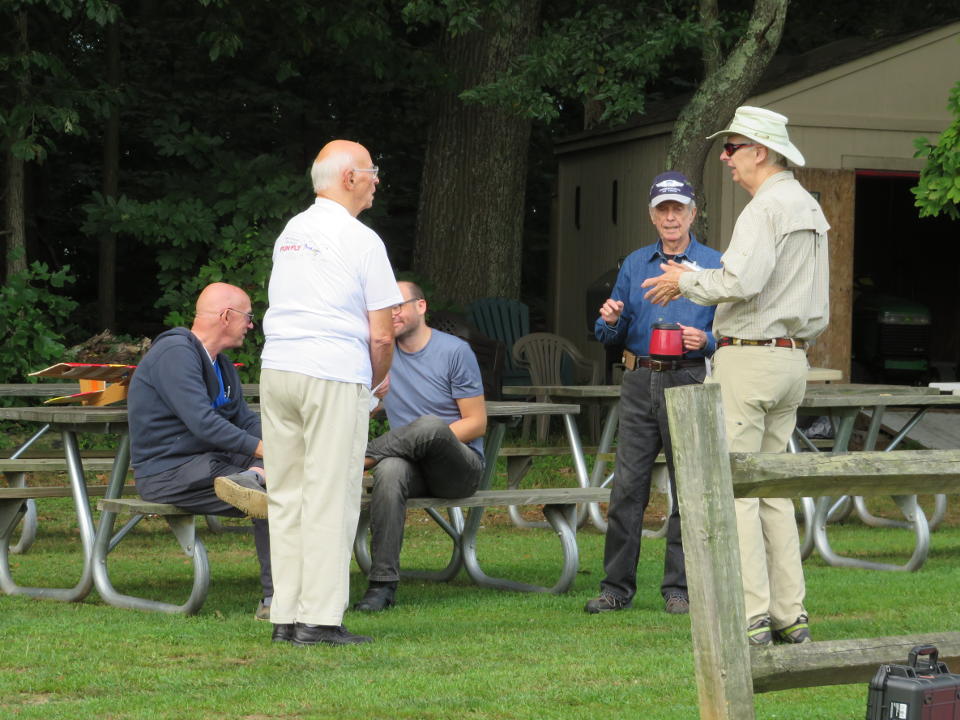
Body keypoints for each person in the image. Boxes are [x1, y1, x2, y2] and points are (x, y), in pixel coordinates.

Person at [641, 106, 830, 645]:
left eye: (732, 147)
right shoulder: (810, 208)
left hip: (750, 358)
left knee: (740, 490)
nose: (725, 160)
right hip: (793, 359)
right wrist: (696, 276)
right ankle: (791, 616)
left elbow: (742, 280)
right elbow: (785, 289)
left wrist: (685, 282)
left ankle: (750, 617)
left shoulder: (764, 207)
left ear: (760, 152)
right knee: (773, 491)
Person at [260, 140, 402, 647]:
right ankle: (318, 620)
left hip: (278, 370)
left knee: (287, 495)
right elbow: (383, 333)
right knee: (331, 494)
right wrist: (375, 379)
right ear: (347, 178)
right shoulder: (361, 240)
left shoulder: (290, 232)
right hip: (332, 371)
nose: (376, 180)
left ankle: (285, 615)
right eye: (371, 171)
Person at [584, 172, 722, 616]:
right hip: (640, 379)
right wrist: (609, 318)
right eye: (662, 209)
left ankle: (679, 589)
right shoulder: (634, 264)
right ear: (651, 215)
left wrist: (708, 342)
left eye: (677, 208)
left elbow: (731, 330)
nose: (670, 216)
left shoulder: (714, 264)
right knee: (627, 488)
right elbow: (612, 331)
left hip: (690, 379)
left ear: (692, 213)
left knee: (689, 488)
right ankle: (615, 588)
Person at [127, 282, 273, 620]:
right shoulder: (175, 353)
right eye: (248, 317)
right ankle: (275, 602)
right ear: (225, 316)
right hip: (168, 473)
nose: (251, 325)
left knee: (286, 478)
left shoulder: (221, 365)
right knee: (274, 491)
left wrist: (282, 447)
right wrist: (264, 451)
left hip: (209, 463)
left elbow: (245, 422)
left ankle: (251, 477)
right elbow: (203, 423)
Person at [354, 281, 487, 612]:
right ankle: (381, 586)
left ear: (421, 307)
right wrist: (371, 396)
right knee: (391, 468)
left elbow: (476, 423)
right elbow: (363, 409)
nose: (391, 314)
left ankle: (357, 461)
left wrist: (429, 438)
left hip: (459, 467)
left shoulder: (455, 351)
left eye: (397, 306)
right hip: (411, 466)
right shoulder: (382, 354)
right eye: (385, 308)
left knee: (430, 426)